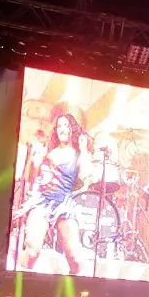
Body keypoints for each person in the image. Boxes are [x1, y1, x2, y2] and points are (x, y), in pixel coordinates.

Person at [17, 108, 93, 273]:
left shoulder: (78, 153)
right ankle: (15, 271)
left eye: (66, 125)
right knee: (32, 252)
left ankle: (80, 285)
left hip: (64, 204)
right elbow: (35, 179)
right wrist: (35, 164)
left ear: (72, 128)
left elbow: (85, 176)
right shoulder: (49, 151)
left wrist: (84, 149)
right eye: (59, 126)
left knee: (75, 259)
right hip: (42, 202)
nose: (62, 129)